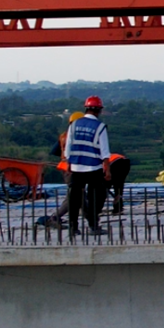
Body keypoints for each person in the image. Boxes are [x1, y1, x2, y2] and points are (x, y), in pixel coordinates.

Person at [63, 96, 110, 236]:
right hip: (93, 167)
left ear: (86, 108)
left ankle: (73, 227)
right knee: (96, 196)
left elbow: (68, 148)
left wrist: (69, 164)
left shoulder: (74, 124)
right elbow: (105, 152)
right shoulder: (100, 127)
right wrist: (107, 171)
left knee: (74, 198)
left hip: (76, 167)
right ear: (99, 110)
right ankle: (93, 226)